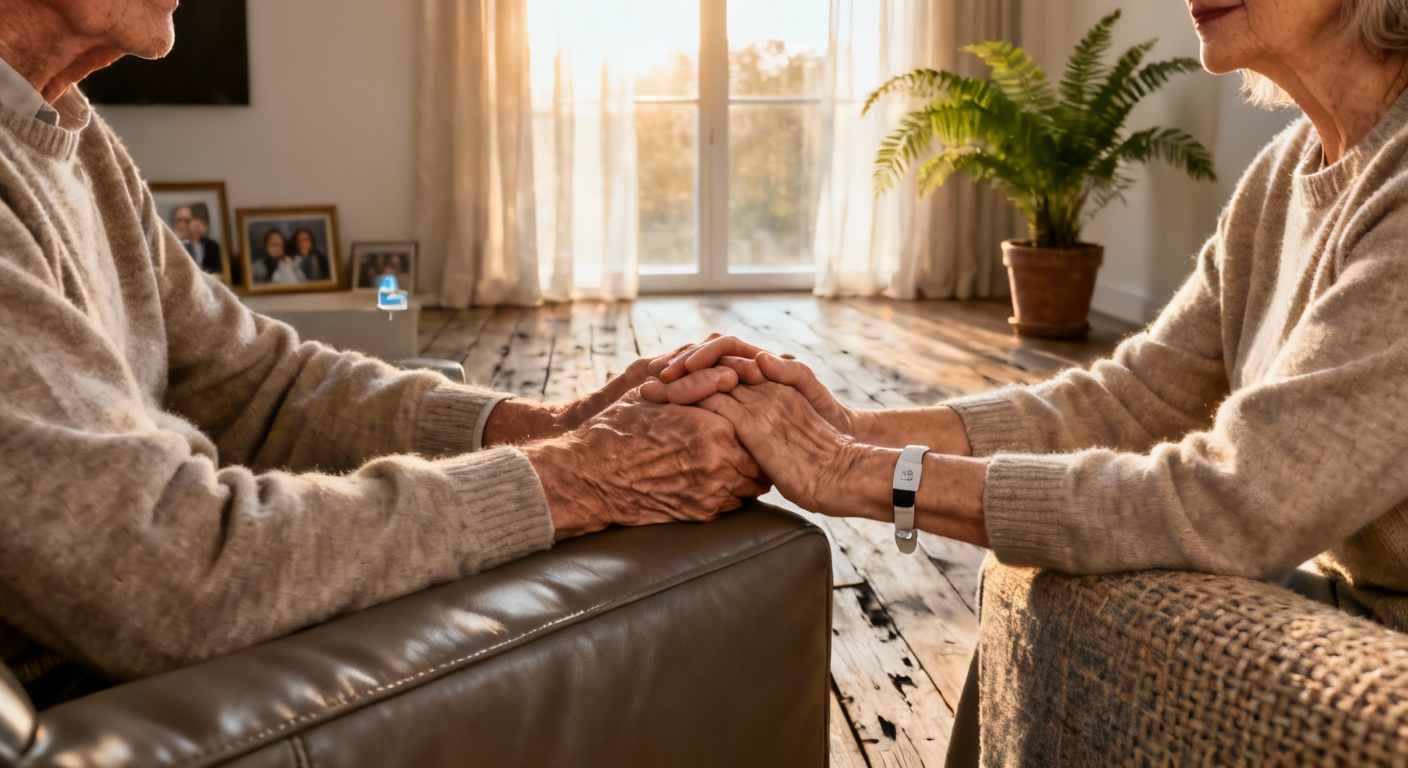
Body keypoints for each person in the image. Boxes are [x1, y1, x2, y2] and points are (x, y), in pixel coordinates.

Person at [648, 0, 1408, 759]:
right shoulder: (1286, 173)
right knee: (1050, 552)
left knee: (1067, 557)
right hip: (1340, 594)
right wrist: (845, 427)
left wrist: (854, 473)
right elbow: (1135, 397)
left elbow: (1238, 502)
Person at [0, 0, 765, 707]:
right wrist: (586, 478)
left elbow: (261, 384)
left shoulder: (71, 133)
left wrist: (552, 425)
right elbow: (167, 576)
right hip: (120, 710)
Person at [187, 202, 222, 274]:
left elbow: (217, 270)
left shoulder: (213, 246)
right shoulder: (183, 244)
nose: (198, 226)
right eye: (195, 221)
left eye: (203, 223)